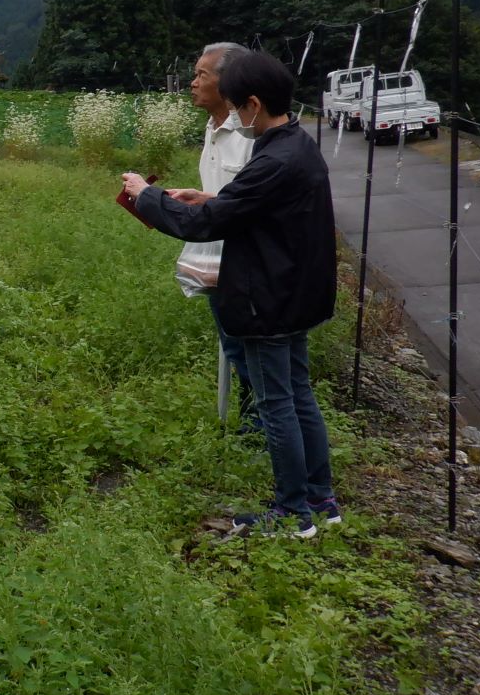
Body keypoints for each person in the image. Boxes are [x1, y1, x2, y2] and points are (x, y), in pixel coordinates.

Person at [121, 49, 340, 538]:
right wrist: (212, 197)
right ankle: (320, 498)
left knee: (274, 403)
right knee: (299, 394)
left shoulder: (270, 158)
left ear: (254, 105)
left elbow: (205, 225)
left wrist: (145, 193)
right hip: (297, 294)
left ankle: (291, 513)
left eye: (239, 105)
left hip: (267, 299)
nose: (238, 114)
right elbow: (247, 207)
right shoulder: (296, 146)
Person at [180, 42, 258, 433]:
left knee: (252, 354)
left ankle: (259, 434)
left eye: (201, 75)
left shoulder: (250, 137)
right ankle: (248, 427)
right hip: (219, 262)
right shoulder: (213, 129)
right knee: (233, 347)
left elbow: (252, 205)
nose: (192, 83)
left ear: (228, 83)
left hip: (250, 267)